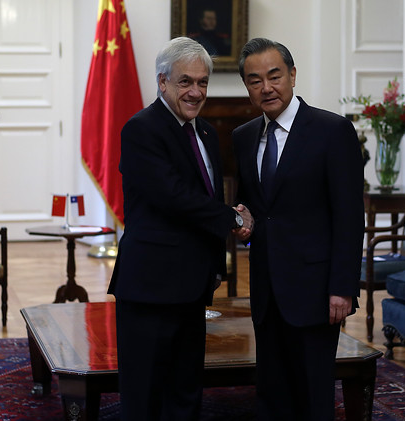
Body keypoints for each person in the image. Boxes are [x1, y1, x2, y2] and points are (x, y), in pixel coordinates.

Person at [108, 36, 253, 421]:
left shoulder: (205, 132)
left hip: (192, 286)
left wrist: (215, 264)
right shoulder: (141, 129)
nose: (195, 91)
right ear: (162, 82)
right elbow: (172, 196)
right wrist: (233, 218)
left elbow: (209, 194)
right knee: (145, 392)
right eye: (185, 82)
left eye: (202, 82)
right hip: (150, 286)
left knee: (185, 388)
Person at [232, 37, 365, 420]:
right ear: (247, 87)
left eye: (274, 76)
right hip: (266, 289)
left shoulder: (332, 130)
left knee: (313, 395)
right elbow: (252, 206)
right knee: (271, 392)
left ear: (292, 75)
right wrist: (244, 223)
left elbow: (349, 216)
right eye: (255, 80)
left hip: (316, 289)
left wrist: (342, 287)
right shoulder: (243, 137)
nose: (266, 87)